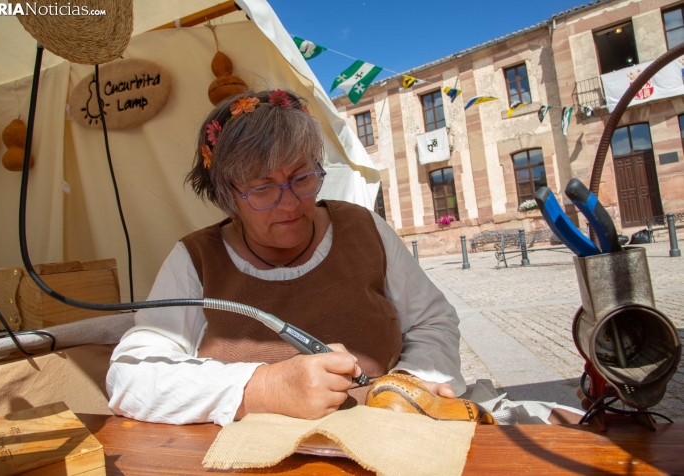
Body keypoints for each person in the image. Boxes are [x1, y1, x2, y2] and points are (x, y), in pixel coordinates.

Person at [106, 89, 465, 426]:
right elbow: (131, 376)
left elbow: (434, 323)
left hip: (387, 437)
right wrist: (262, 388)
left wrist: (408, 387)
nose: (291, 203)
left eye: (302, 177)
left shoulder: (362, 227)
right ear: (227, 197)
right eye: (262, 188)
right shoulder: (195, 258)